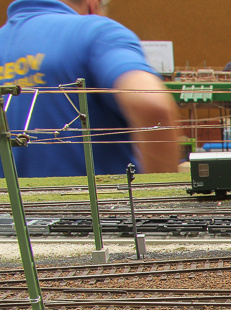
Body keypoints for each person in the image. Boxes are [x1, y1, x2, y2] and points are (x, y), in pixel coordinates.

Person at [0, 0, 179, 178]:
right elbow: (151, 104)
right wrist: (161, 191)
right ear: (93, 4)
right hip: (96, 196)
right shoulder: (97, 33)